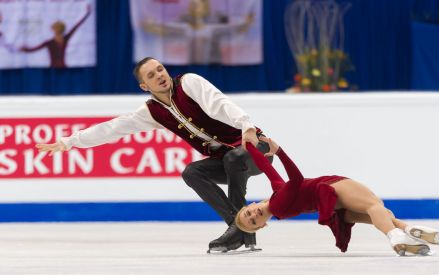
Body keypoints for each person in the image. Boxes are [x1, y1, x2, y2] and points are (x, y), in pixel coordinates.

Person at [36, 57, 271, 253]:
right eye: (151, 75)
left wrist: (246, 125)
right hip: (227, 160)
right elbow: (113, 128)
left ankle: (239, 231)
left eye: (160, 69)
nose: (159, 75)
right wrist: (69, 142)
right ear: (144, 86)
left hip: (256, 149)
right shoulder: (152, 112)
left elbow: (219, 103)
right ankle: (238, 226)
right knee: (192, 172)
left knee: (233, 158)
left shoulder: (189, 83)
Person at [235, 137, 439, 256]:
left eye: (248, 213)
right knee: (375, 205)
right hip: (330, 189)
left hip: (331, 204)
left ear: (250, 204)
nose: (254, 214)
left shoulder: (276, 197)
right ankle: (395, 236)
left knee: (381, 213)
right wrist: (280, 151)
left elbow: (267, 169)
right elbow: (297, 179)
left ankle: (407, 230)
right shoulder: (279, 205)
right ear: (262, 226)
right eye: (253, 221)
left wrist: (250, 148)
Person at [19, 4, 91, 68]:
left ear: (61, 29)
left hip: (63, 67)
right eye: (55, 28)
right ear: (53, 29)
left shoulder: (65, 38)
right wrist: (25, 49)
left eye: (58, 28)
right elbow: (34, 49)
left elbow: (76, 26)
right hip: (53, 69)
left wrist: (87, 14)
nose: (56, 30)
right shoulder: (49, 42)